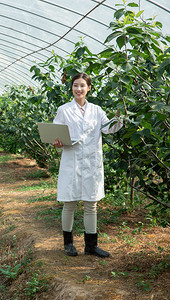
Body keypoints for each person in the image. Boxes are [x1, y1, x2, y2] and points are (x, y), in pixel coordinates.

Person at [52, 73, 122, 258]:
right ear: (72, 88)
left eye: (82, 85)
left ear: (89, 88)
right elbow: (55, 132)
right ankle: (68, 244)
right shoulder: (64, 110)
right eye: (75, 85)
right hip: (71, 161)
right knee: (70, 203)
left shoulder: (97, 110)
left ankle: (91, 246)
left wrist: (120, 118)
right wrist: (57, 141)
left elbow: (108, 129)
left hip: (91, 163)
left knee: (91, 204)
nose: (78, 89)